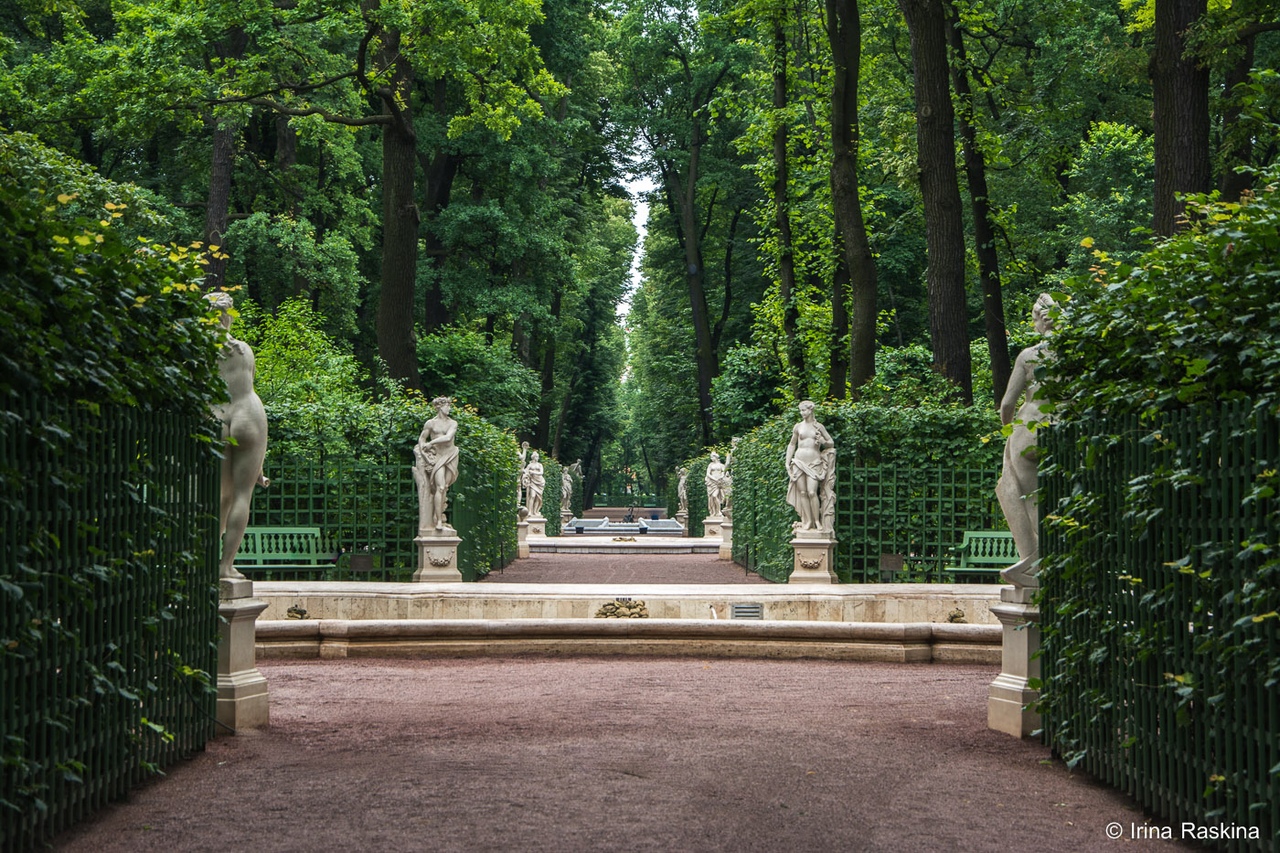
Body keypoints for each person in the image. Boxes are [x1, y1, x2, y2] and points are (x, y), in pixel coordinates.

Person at [207, 292, 269, 580]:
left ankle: (208, 562)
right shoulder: (244, 349)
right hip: (250, 416)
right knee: (242, 495)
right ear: (228, 316)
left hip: (215, 417)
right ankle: (225, 566)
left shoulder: (199, 351)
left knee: (220, 495)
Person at [996, 294, 1056, 583]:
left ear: (1037, 323)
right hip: (1063, 430)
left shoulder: (1029, 356)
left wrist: (1009, 431)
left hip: (1029, 429)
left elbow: (1007, 404)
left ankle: (1034, 559)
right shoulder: (1075, 354)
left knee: (1026, 497)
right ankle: (1057, 558)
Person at [785, 401, 836, 534]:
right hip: (799, 461)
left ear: (810, 410)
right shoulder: (798, 427)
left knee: (812, 492)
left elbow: (831, 443)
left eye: (804, 410)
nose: (802, 413)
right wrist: (787, 461)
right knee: (803, 493)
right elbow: (792, 444)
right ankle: (807, 521)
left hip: (814, 462)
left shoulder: (819, 427)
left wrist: (823, 442)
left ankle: (817, 521)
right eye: (800, 411)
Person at [413, 396, 459, 534]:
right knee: (439, 486)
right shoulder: (430, 423)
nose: (449, 408)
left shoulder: (452, 423)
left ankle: (438, 516)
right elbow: (421, 439)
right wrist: (425, 455)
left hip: (450, 455)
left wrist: (431, 443)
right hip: (437, 457)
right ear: (439, 407)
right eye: (447, 406)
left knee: (444, 487)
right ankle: (438, 521)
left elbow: (448, 438)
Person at [705, 452, 728, 518]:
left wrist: (720, 477)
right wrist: (714, 479)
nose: (711, 458)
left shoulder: (721, 465)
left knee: (715, 496)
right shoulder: (710, 465)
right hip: (712, 483)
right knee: (711, 498)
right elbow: (708, 474)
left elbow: (724, 472)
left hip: (718, 483)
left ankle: (718, 511)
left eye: (712, 457)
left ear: (716, 457)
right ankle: (714, 512)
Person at [523, 451, 546, 517]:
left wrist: (532, 472)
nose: (537, 458)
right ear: (533, 457)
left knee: (537, 497)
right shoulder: (530, 465)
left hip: (540, 482)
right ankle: (530, 511)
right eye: (536, 456)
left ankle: (535, 511)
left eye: (538, 457)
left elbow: (541, 473)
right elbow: (525, 471)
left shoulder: (540, 465)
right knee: (532, 496)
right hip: (533, 482)